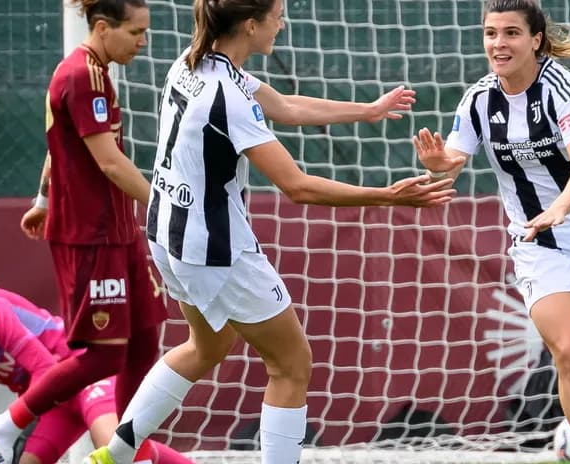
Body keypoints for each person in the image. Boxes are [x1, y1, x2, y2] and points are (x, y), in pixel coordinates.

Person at [81, 0, 456, 462]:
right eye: (278, 14)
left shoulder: (192, 62)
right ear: (252, 24)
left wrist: (369, 111)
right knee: (291, 364)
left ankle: (113, 454)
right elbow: (297, 186)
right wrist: (389, 196)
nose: (283, 22)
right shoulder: (228, 97)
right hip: (216, 249)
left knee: (207, 345)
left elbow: (285, 106)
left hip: (167, 235)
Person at [412, 1, 570, 463]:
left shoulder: (559, 88)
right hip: (540, 243)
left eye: (511, 33)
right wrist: (439, 168)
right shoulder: (479, 99)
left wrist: (558, 207)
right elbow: (452, 165)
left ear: (535, 40)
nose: (499, 44)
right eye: (491, 33)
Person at [0, 1, 169, 463]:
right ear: (103, 27)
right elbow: (109, 161)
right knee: (103, 357)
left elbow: (56, 145)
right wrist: (166, 207)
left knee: (145, 341)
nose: (144, 41)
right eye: (137, 32)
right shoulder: (81, 75)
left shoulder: (97, 71)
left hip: (118, 230)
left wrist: (41, 201)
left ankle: (121, 451)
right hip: (90, 238)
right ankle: (3, 427)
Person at [0, 255, 191, 464]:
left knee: (118, 450)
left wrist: (16, 426)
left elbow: (46, 369)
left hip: (81, 371)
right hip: (51, 401)